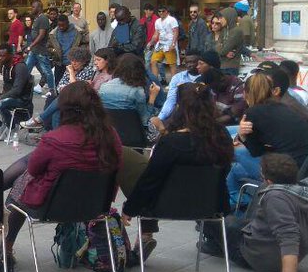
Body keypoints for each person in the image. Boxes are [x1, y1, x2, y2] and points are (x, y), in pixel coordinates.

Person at [2, 82, 122, 257]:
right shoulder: (111, 135)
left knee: (21, 185)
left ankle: (7, 245)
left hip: (51, 205)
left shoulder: (54, 139)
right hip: (96, 204)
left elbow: (34, 169)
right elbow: (117, 165)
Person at [121, 82, 234, 261]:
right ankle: (144, 236)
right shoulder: (222, 138)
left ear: (179, 108)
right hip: (211, 205)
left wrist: (130, 208)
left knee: (140, 173)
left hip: (164, 205)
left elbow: (151, 181)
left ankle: (144, 235)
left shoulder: (172, 143)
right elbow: (224, 171)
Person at [226, 72, 308, 208]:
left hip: (289, 171)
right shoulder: (283, 107)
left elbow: (255, 151)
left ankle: (234, 204)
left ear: (247, 94)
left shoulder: (253, 113)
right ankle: (238, 202)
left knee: (236, 153)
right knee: (237, 169)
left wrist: (242, 136)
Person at [99, 53, 158, 135]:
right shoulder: (137, 91)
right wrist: (152, 98)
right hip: (133, 134)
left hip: (109, 133)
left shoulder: (103, 87)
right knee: (158, 121)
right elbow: (144, 120)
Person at [0, 46, 32, 135]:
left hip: (21, 99)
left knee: (0, 103)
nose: (0, 58)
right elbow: (7, 86)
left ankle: (12, 129)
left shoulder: (19, 66)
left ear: (11, 55)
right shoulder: (4, 65)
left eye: (3, 56)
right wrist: (0, 96)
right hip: (7, 95)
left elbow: (17, 90)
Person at [155, 53, 203, 124]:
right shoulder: (178, 77)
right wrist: (160, 118)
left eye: (192, 62)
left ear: (199, 63)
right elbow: (171, 100)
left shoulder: (207, 77)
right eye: (187, 62)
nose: (189, 65)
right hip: (182, 113)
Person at [23, 0, 56, 93]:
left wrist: (30, 46)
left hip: (40, 51)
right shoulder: (37, 18)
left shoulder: (43, 18)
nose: (31, 9)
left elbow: (41, 35)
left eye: (33, 7)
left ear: (39, 8)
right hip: (34, 51)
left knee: (47, 71)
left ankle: (52, 90)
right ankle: (21, 88)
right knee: (26, 69)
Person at [148, 5, 180, 82]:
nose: (161, 13)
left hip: (169, 43)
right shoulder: (157, 21)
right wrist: (151, 42)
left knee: (172, 64)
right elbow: (156, 34)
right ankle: (155, 81)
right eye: (159, 11)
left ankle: (173, 83)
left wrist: (173, 44)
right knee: (153, 61)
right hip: (161, 44)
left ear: (167, 12)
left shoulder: (172, 19)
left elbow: (176, 31)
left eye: (163, 11)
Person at [47, 15, 78, 88]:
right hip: (59, 63)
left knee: (72, 85)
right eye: (59, 25)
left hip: (72, 63)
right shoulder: (54, 33)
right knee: (58, 84)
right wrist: (53, 51)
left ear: (67, 23)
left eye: (63, 25)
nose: (61, 27)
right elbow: (48, 47)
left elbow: (84, 44)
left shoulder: (77, 32)